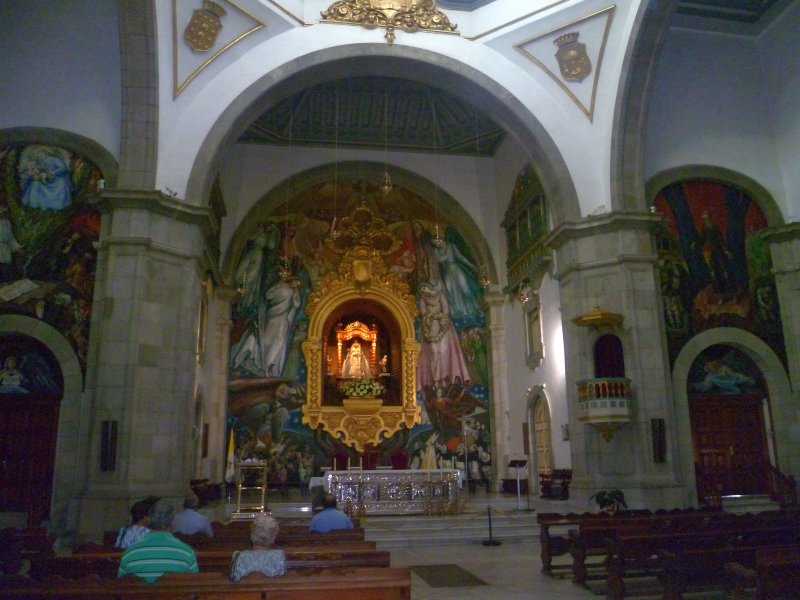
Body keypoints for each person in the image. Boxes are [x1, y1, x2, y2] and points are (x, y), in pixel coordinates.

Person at [117, 499, 199, 583]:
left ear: (149, 520)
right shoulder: (187, 553)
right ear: (173, 522)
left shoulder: (129, 553)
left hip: (141, 592)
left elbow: (121, 584)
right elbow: (195, 583)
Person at [228, 513, 286, 581]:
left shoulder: (239, 556)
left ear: (251, 535)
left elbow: (232, 580)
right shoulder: (279, 556)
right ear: (272, 539)